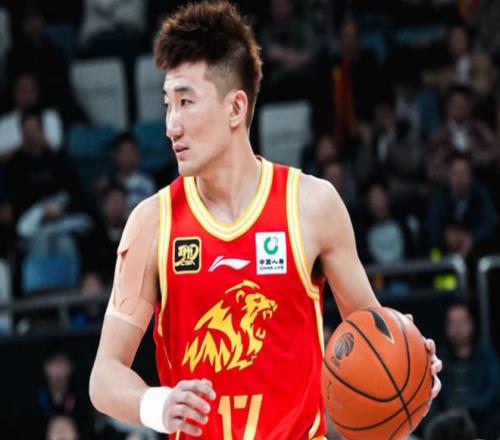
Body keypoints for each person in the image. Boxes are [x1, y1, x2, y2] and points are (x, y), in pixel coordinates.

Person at [89, 2, 442, 438]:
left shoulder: (312, 205)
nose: (171, 126)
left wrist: (410, 366)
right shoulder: (152, 222)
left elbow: (372, 336)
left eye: (185, 102)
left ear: (235, 109)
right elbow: (104, 376)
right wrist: (159, 404)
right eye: (168, 105)